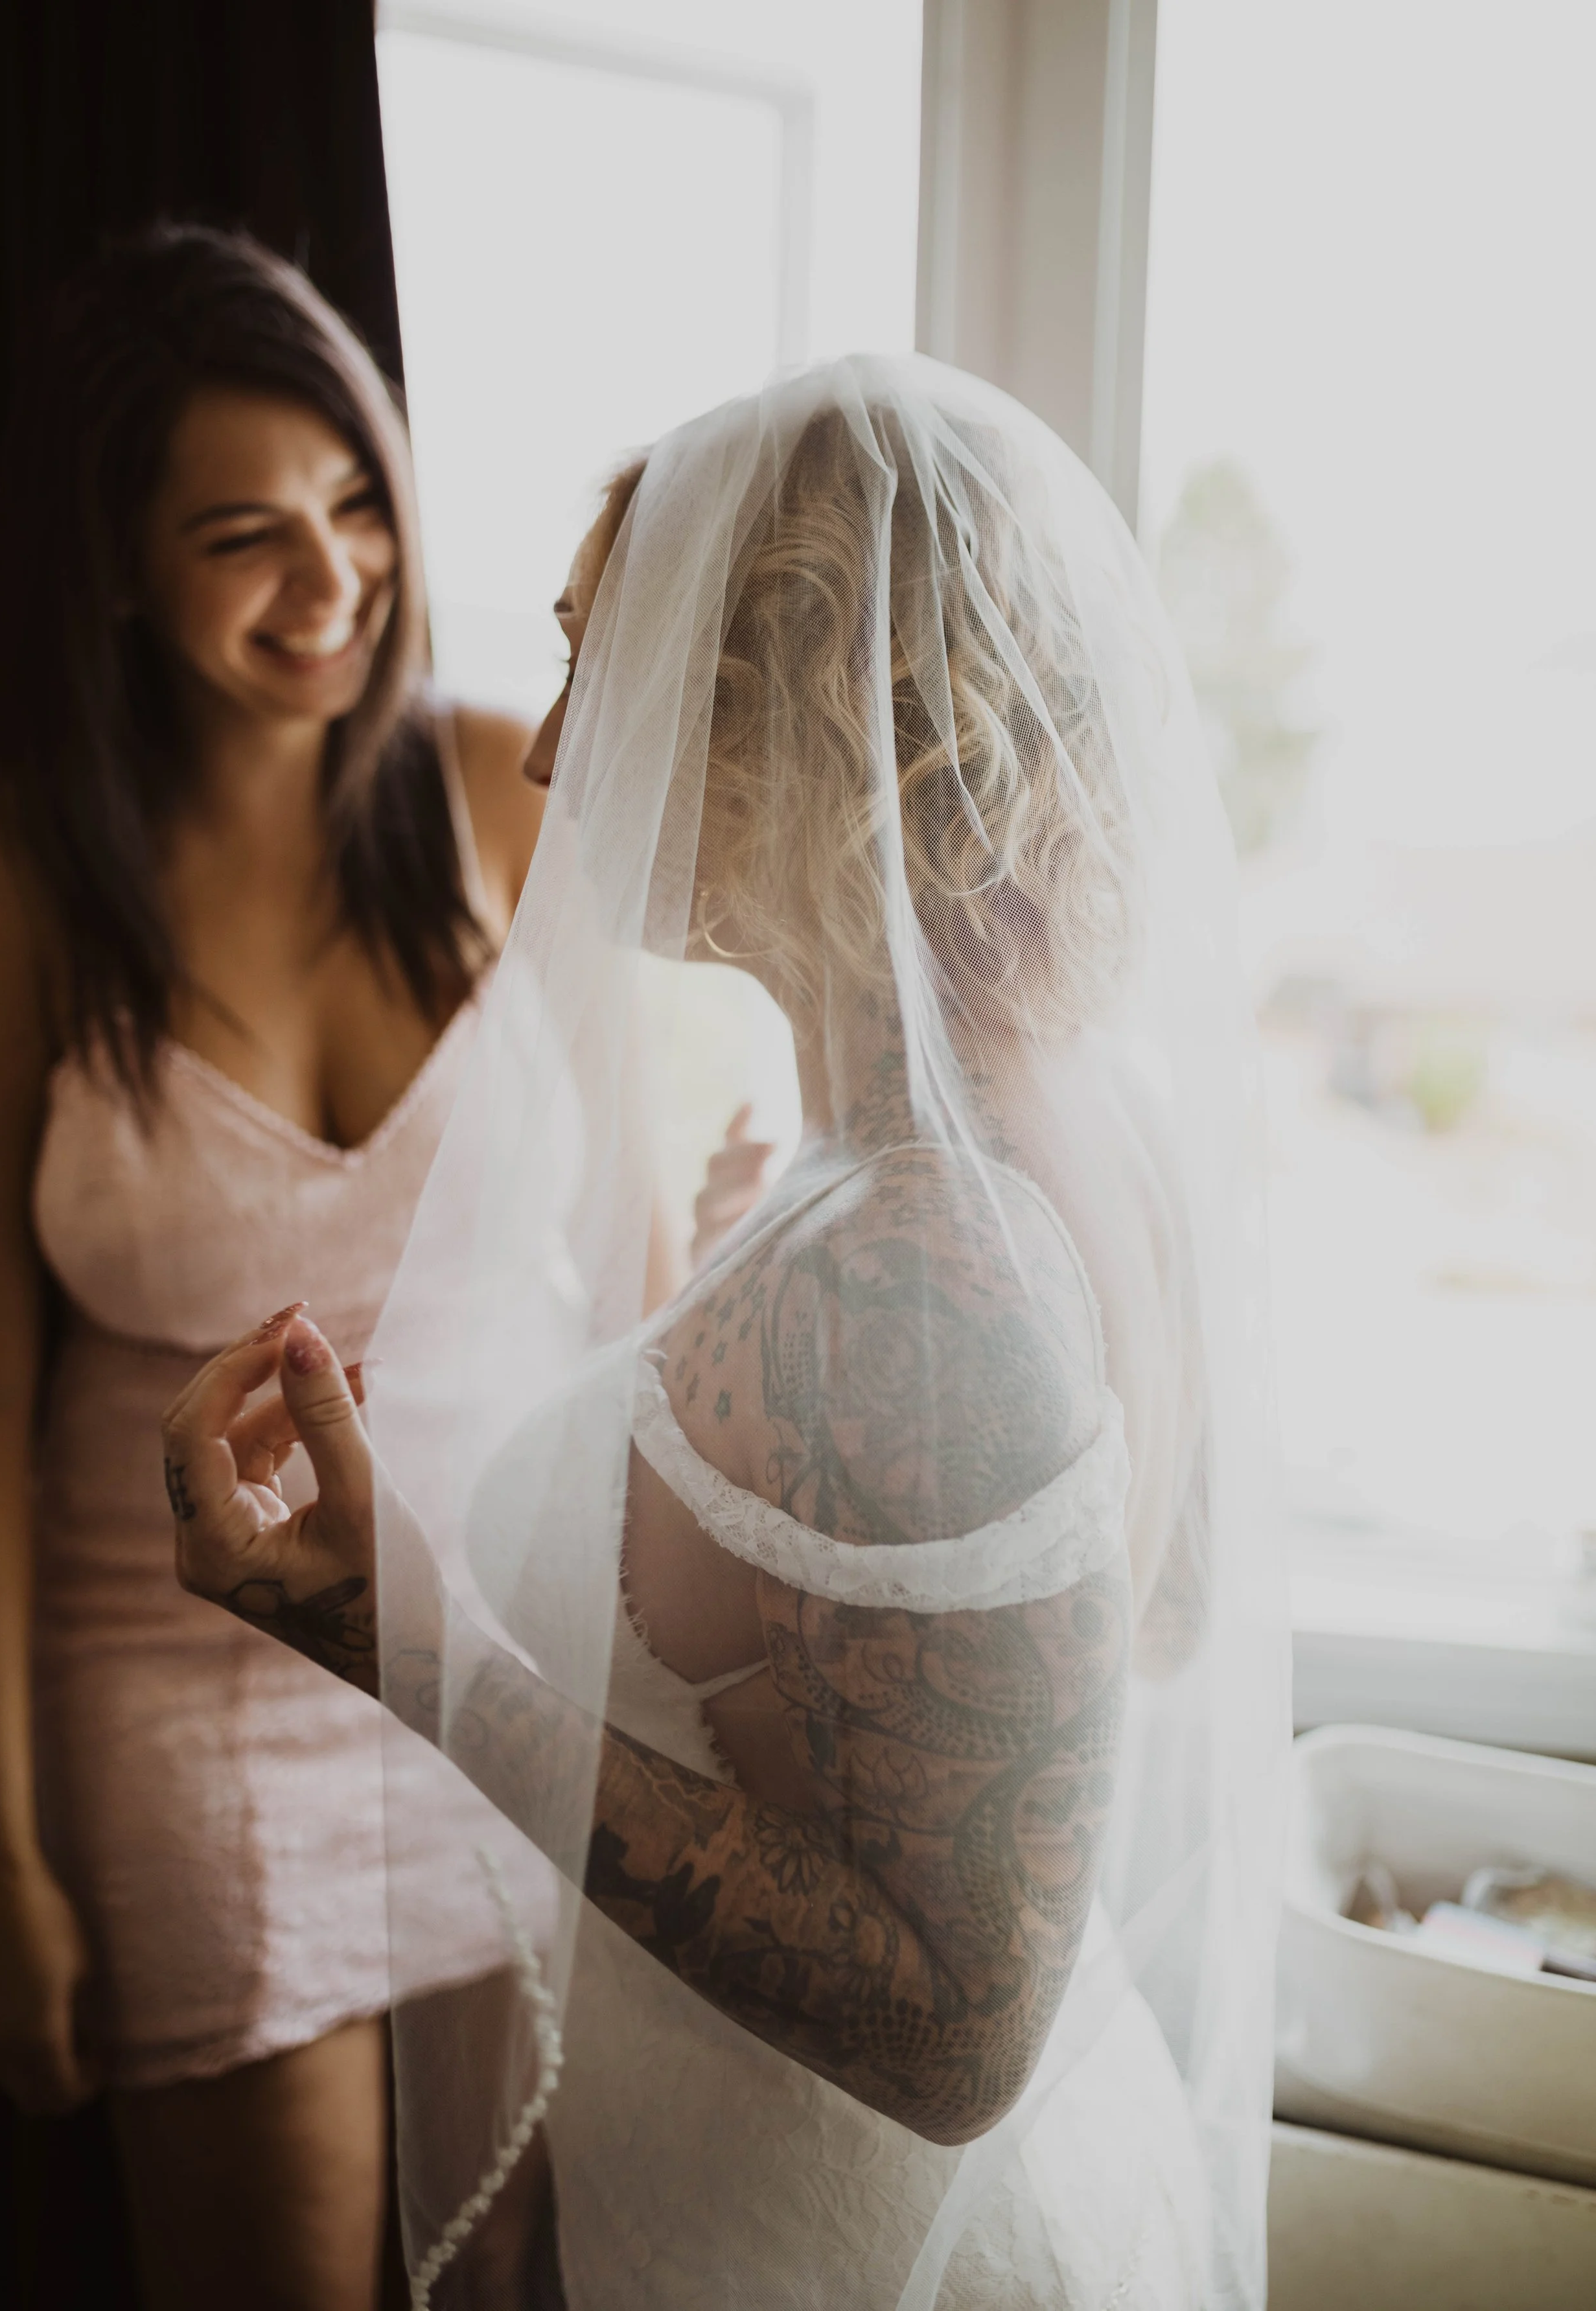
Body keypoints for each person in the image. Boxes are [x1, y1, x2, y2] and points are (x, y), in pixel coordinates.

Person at [164, 358, 1288, 2309]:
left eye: (607, 657)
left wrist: (397, 1640)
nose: (542, 755)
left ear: (786, 710)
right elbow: (1135, 1626)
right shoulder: (988, 1137)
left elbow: (951, 2029)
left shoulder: (918, 1257)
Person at [0, 224, 763, 2311]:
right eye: (242, 533)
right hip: (180, 1715)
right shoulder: (22, 865)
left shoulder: (512, 808)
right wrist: (0, 1857)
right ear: (117, 568)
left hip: (507, 1677)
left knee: (527, 2275)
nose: (328, 583)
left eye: (355, 507)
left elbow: (639, 1288)